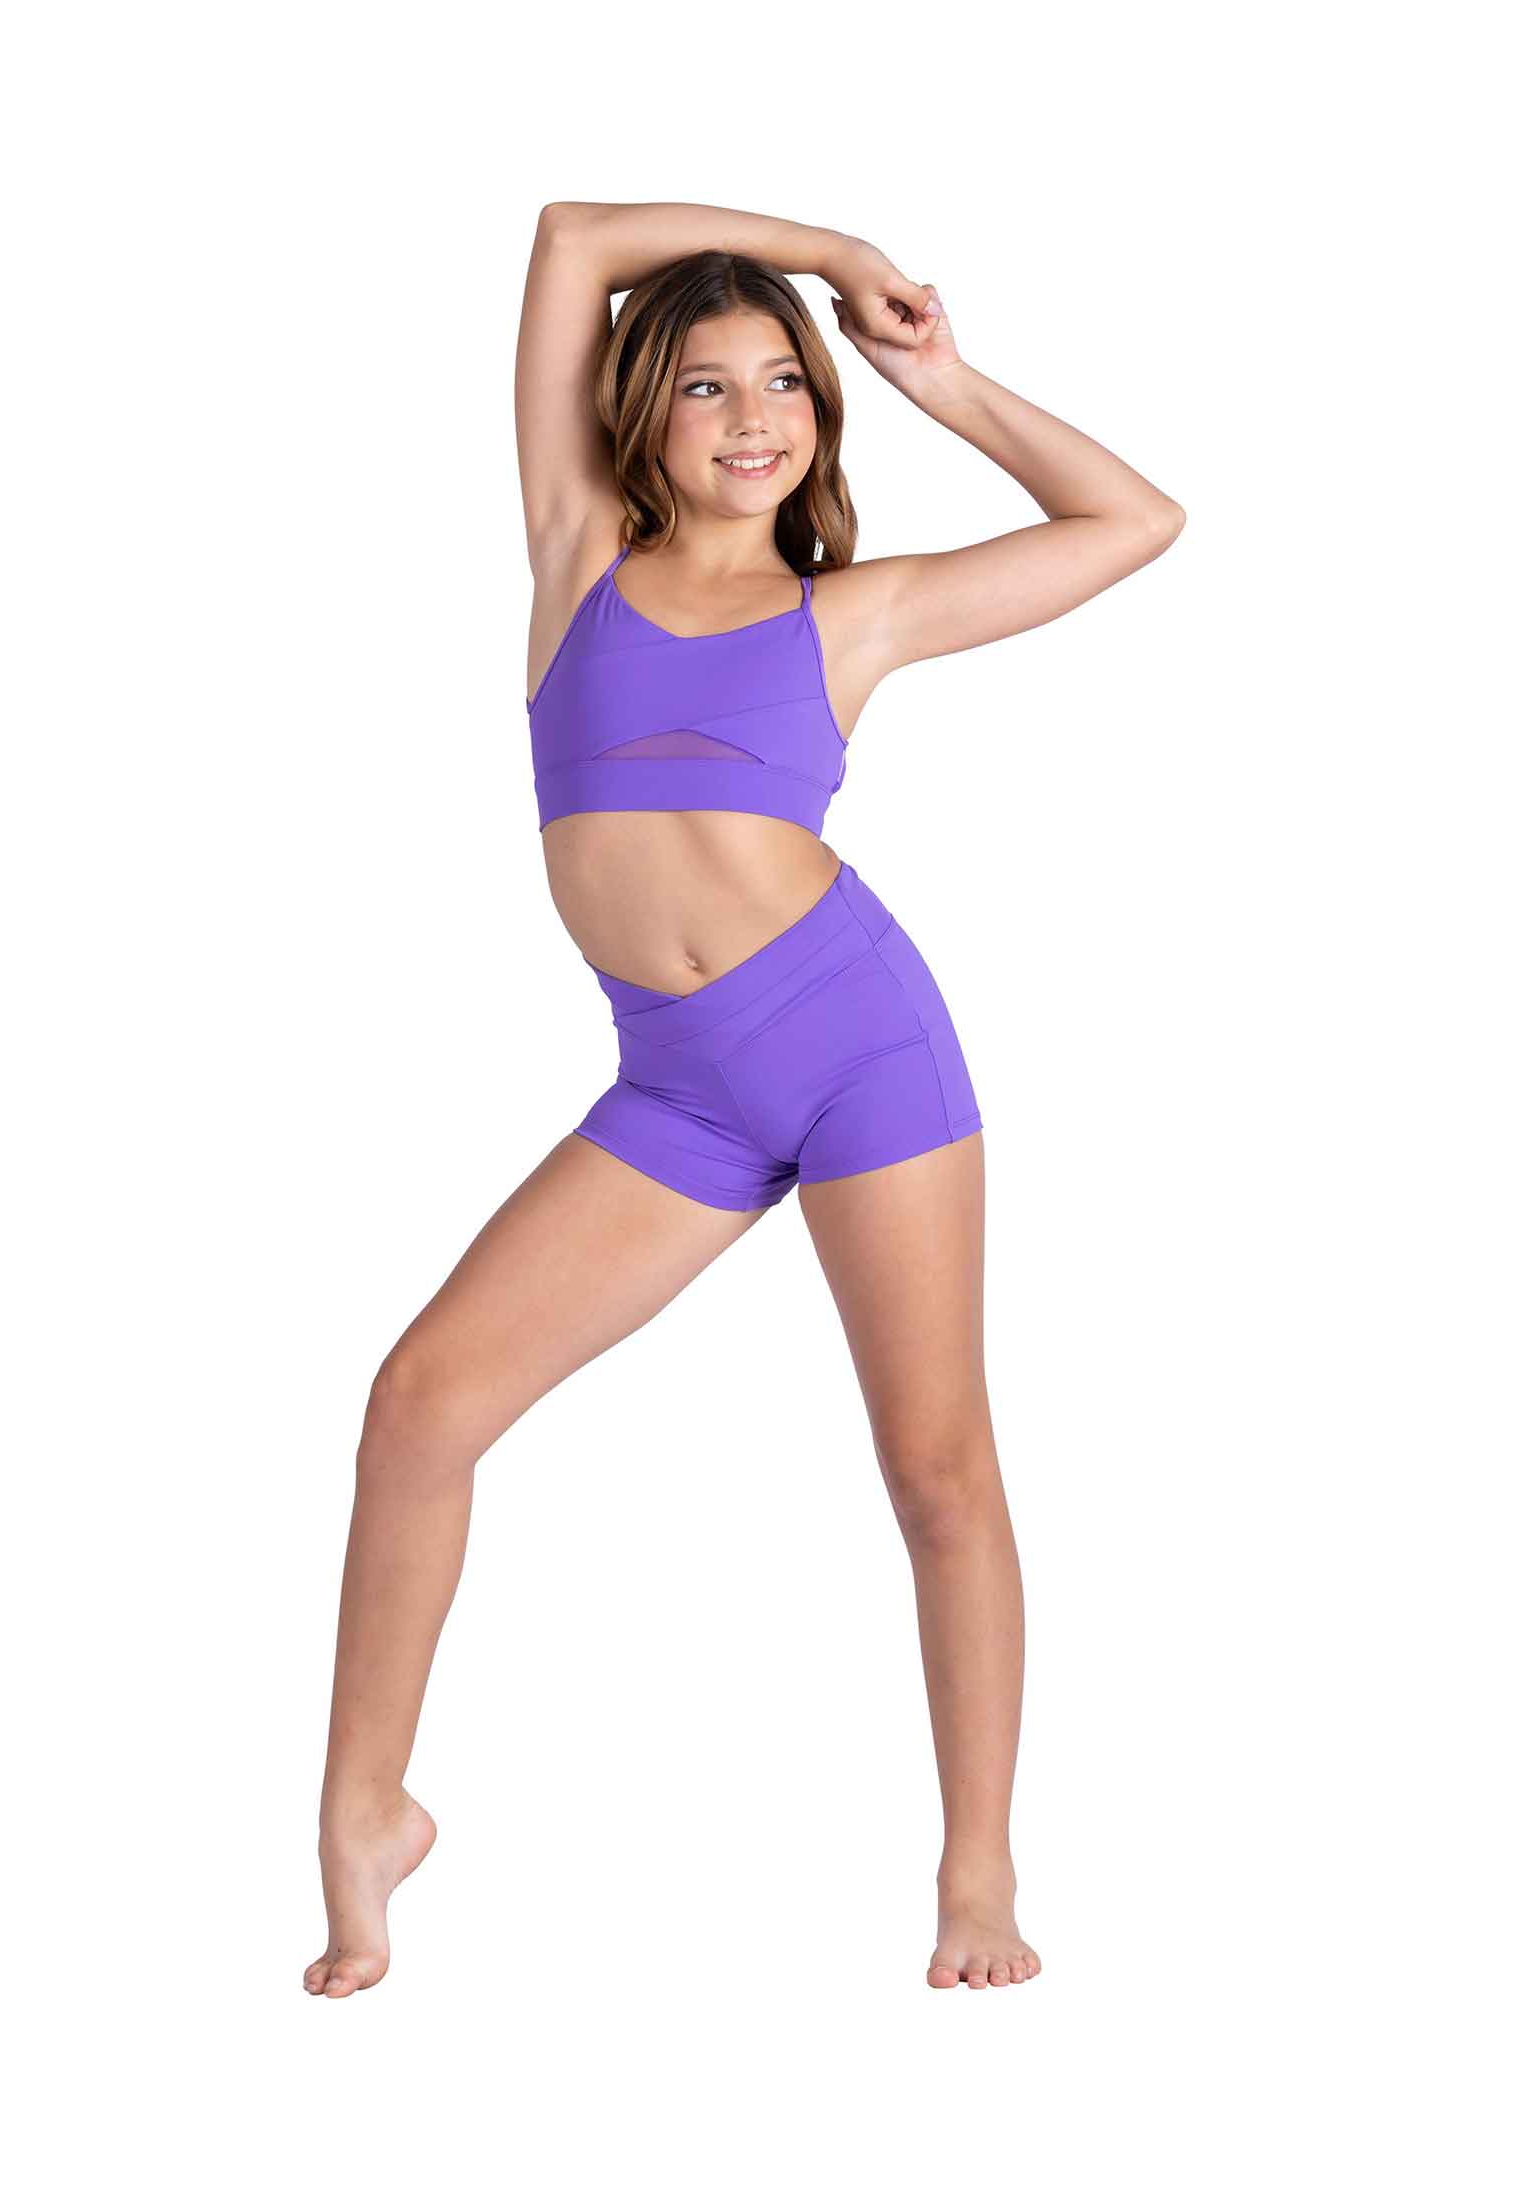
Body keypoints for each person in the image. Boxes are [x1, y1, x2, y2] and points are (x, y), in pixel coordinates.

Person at [303, 199, 1184, 1999]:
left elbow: (1135, 522)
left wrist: (940, 376)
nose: (753, 415)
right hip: (678, 1092)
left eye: (783, 381)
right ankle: (367, 1814)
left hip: (860, 1051)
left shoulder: (851, 614)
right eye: (707, 385)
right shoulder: (576, 555)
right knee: (421, 1404)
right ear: (643, 413)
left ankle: (978, 1879)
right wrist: (830, 247)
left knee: (936, 1468)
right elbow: (573, 238)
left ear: (824, 412)